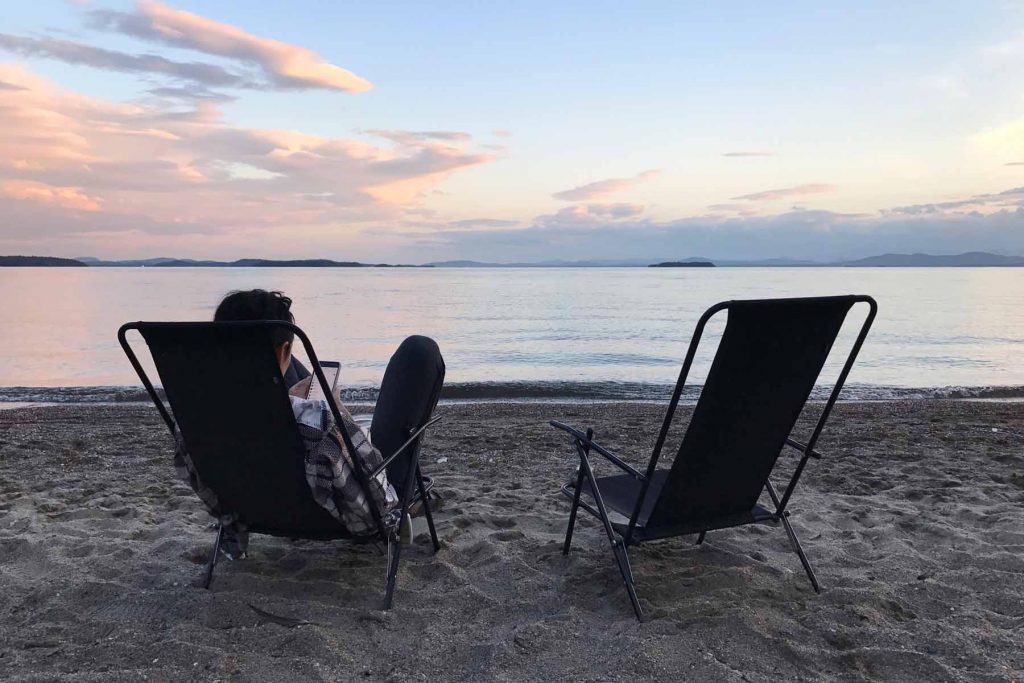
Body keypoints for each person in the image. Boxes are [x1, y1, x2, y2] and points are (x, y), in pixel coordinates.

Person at [176, 289, 400, 559]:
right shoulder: (320, 426)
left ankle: (275, 386)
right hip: (327, 515)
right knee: (420, 351)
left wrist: (291, 402)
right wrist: (336, 411)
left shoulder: (194, 421)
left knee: (279, 367)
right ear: (284, 350)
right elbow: (377, 494)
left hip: (250, 508)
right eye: (287, 351)